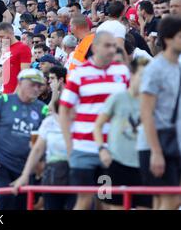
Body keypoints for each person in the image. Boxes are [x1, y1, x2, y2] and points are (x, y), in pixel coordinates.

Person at [59, 32, 130, 210]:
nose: (112, 50)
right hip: (84, 148)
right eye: (107, 45)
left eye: (114, 46)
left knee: (108, 202)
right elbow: (64, 110)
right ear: (95, 47)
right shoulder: (79, 73)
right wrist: (69, 146)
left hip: (113, 149)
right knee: (84, 200)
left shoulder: (122, 72)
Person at [0, 69, 48, 210]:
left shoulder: (42, 109)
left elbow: (41, 139)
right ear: (20, 83)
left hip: (26, 166)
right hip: (1, 162)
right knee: (6, 197)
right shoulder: (3, 101)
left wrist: (40, 161)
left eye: (39, 86)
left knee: (22, 204)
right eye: (32, 84)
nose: (36, 89)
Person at [93, 58, 151, 210]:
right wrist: (102, 149)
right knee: (111, 206)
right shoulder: (118, 98)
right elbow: (98, 126)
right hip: (117, 163)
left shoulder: (153, 102)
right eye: (142, 75)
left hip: (144, 164)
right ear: (131, 74)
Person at [139, 16, 181, 210]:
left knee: (161, 201)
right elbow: (146, 112)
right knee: (170, 200)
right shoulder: (155, 69)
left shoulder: (177, 68)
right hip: (155, 144)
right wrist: (155, 152)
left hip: (172, 143)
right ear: (169, 39)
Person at [0, 22, 31, 94]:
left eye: (1, 36)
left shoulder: (23, 48)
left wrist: (15, 94)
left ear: (10, 34)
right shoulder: (6, 49)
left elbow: (25, 74)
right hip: (6, 92)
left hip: (17, 94)